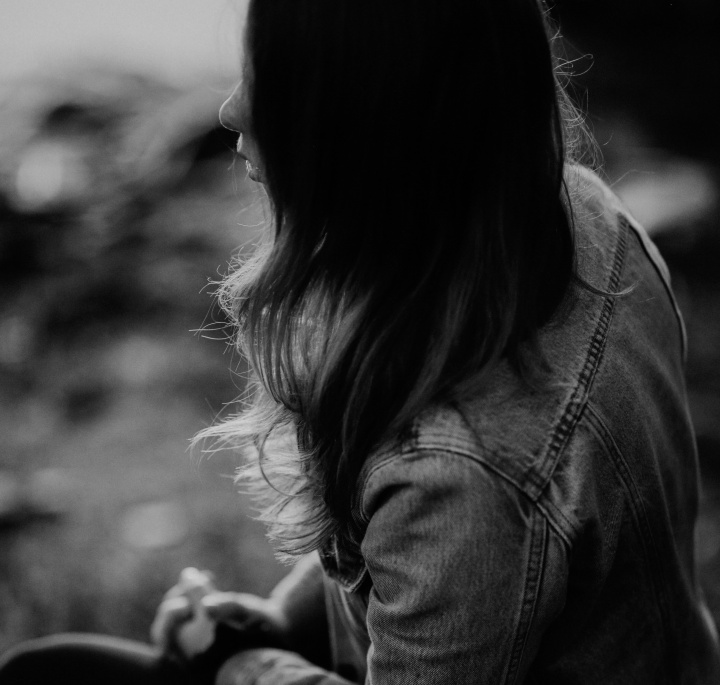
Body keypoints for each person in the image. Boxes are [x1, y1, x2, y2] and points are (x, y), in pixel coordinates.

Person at [1, 0, 719, 683]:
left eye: (275, 84)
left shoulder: (458, 470)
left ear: (369, 132)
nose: (230, 110)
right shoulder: (579, 215)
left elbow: (456, 520)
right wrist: (279, 622)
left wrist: (233, 662)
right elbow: (443, 558)